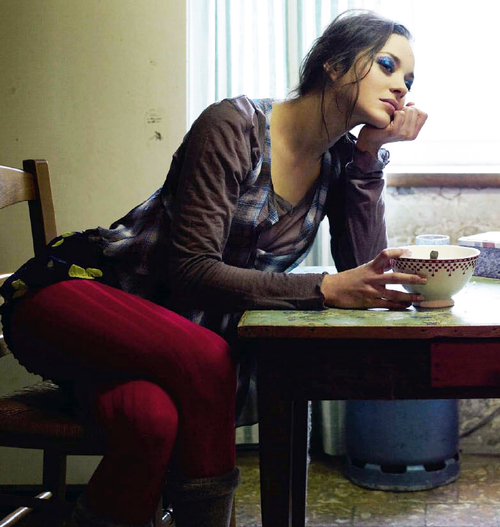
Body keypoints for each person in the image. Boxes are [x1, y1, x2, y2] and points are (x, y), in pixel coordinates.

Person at [0, 9, 428, 527]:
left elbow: (363, 270)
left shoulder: (339, 162)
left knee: (151, 420)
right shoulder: (235, 125)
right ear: (334, 65)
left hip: (168, 346)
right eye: (387, 66)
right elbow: (192, 271)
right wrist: (323, 288)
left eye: (409, 81)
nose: (401, 88)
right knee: (210, 358)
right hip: (75, 295)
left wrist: (368, 157)